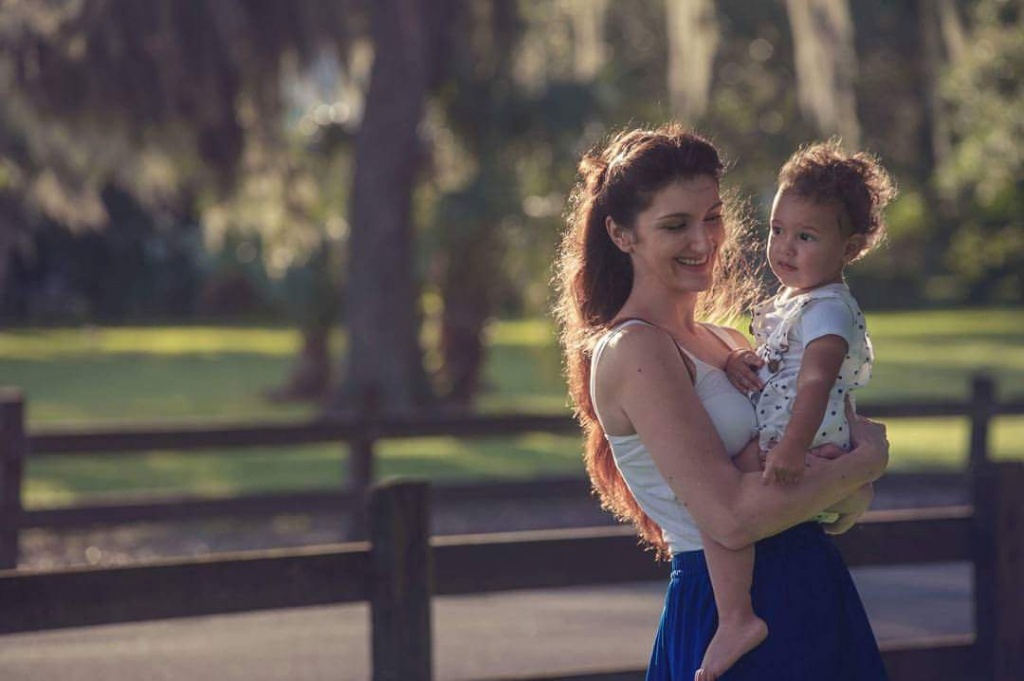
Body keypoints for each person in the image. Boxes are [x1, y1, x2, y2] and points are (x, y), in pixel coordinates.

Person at [553, 123, 891, 681]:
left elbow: (820, 443)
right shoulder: (635, 348)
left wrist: (844, 485)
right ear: (622, 234)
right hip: (731, 614)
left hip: (813, 588)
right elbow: (730, 520)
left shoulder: (730, 341)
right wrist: (866, 464)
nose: (703, 241)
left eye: (712, 217)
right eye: (675, 225)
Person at [693, 141, 898, 678]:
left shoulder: (829, 307)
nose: (784, 247)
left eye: (805, 237)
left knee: (716, 502)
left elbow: (815, 381)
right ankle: (845, 497)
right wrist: (742, 360)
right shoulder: (798, 302)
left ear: (849, 248)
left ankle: (736, 617)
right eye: (777, 229)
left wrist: (790, 447)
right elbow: (783, 366)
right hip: (794, 432)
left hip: (797, 435)